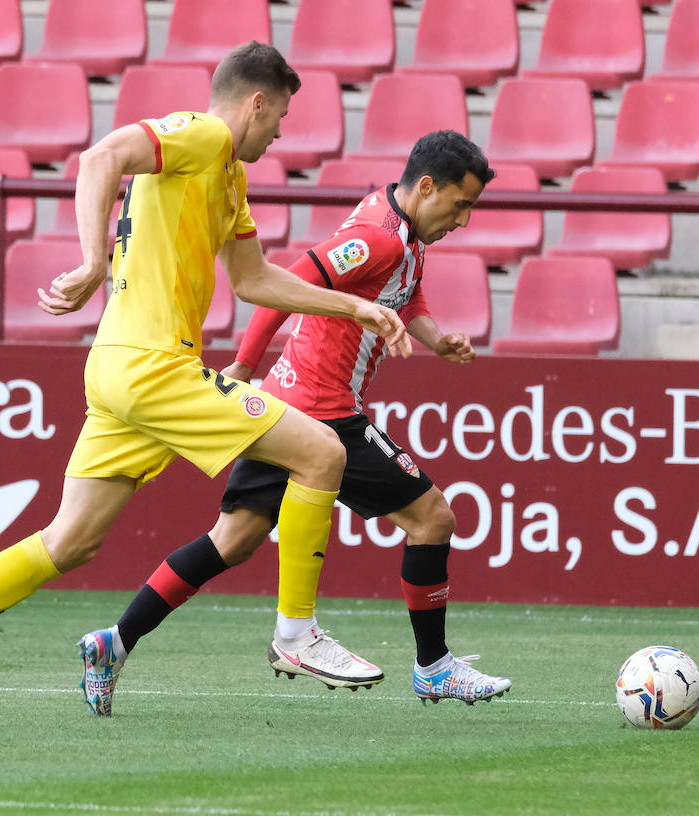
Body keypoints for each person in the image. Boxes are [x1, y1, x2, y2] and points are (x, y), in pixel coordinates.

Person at [0, 41, 412, 724]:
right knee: (324, 454)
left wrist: (355, 306)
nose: (281, 132)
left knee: (69, 541)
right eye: (280, 115)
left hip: (119, 369)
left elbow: (253, 281)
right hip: (155, 365)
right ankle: (296, 635)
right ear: (256, 101)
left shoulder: (227, 179)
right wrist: (92, 259)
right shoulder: (204, 133)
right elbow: (100, 157)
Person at [76, 129, 512, 716]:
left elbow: (406, 293)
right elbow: (283, 287)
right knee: (433, 518)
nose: (464, 219)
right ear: (427, 186)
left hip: (288, 402)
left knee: (231, 540)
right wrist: (243, 364)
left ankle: (114, 643)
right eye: (461, 204)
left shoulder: (400, 223)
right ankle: (434, 670)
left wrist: (436, 337)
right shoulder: (377, 239)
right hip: (324, 410)